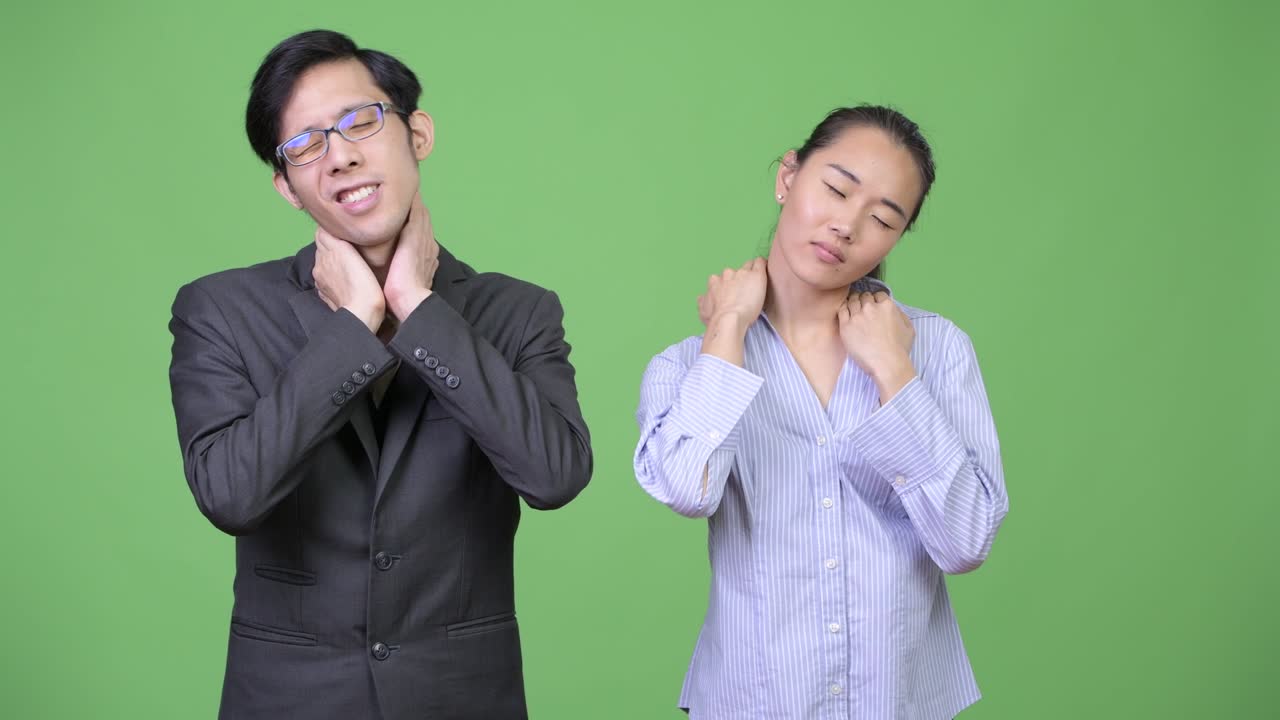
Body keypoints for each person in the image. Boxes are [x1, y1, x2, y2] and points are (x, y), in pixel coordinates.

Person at [167, 29, 592, 720]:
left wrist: (418, 310)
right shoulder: (219, 309)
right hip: (289, 702)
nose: (339, 156)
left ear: (417, 132)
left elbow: (555, 475)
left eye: (359, 121)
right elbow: (231, 495)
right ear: (286, 186)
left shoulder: (518, 311)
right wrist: (352, 326)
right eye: (305, 145)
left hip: (460, 699)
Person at [633, 105, 1008, 719]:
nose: (846, 226)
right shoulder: (688, 367)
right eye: (836, 189)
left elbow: (965, 542)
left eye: (883, 219)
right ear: (788, 177)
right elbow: (686, 488)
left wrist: (895, 373)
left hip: (902, 701)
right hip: (753, 701)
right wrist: (727, 330)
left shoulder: (937, 350)